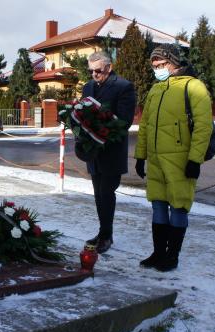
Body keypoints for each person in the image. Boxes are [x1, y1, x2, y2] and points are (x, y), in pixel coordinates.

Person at [134, 44, 213, 272]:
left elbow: (203, 127)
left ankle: (172, 256)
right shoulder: (156, 90)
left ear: (174, 63)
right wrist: (141, 156)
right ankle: (158, 253)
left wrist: (195, 160)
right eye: (154, 65)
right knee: (158, 206)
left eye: (161, 64)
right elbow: (145, 126)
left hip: (181, 160)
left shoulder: (193, 86)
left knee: (178, 208)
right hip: (157, 160)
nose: (157, 69)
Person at [81, 51, 136, 253]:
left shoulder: (124, 87)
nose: (94, 74)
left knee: (106, 193)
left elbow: (124, 121)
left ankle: (106, 236)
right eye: (91, 71)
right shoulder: (87, 86)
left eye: (98, 70)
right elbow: (81, 112)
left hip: (111, 151)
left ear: (109, 67)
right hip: (93, 152)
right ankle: (103, 231)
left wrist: (100, 126)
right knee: (98, 194)